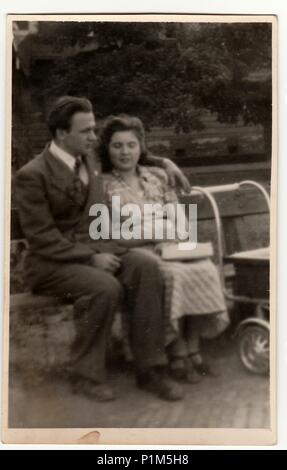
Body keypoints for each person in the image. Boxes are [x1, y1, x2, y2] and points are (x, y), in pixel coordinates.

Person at [16, 96, 190, 402]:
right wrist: (91, 257)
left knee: (145, 266)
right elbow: (41, 237)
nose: (94, 137)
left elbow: (134, 153)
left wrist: (165, 162)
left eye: (94, 130)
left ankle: (149, 367)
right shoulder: (34, 174)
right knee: (105, 286)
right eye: (86, 131)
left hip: (97, 248)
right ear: (61, 134)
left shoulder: (90, 159)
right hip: (50, 263)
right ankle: (86, 375)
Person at [99, 114, 229, 384]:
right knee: (172, 276)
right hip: (136, 252)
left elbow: (178, 217)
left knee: (204, 269)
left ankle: (194, 349)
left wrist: (178, 237)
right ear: (107, 148)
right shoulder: (102, 184)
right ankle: (177, 350)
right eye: (117, 145)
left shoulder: (157, 176)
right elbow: (110, 232)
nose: (125, 152)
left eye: (131, 145)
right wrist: (156, 235)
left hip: (170, 245)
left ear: (141, 147)